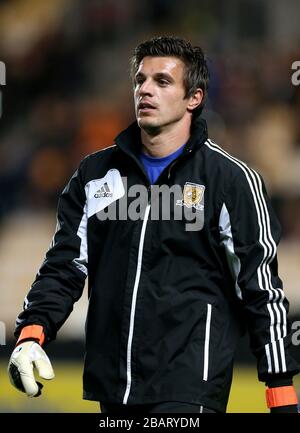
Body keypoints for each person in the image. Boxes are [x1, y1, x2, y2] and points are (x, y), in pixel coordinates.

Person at [8, 36, 299, 414]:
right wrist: (32, 334)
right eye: (140, 80)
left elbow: (260, 287)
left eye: (162, 81)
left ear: (193, 98)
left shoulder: (230, 181)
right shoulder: (95, 175)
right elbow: (64, 266)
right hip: (113, 386)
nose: (145, 89)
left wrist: (280, 390)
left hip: (190, 384)